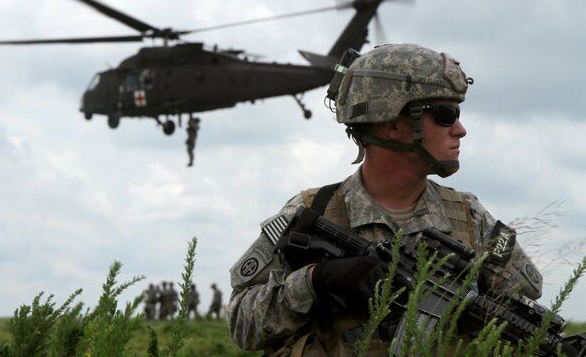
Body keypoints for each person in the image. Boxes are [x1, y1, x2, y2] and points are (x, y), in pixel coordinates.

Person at [226, 44, 543, 356]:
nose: (460, 130)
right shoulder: (311, 211)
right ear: (391, 123)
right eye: (446, 115)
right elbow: (242, 324)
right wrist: (315, 281)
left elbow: (525, 301)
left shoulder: (469, 217)